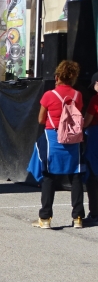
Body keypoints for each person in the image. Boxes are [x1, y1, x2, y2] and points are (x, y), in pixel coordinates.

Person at [28, 60, 85, 229]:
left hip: (53, 137)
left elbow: (40, 119)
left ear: (58, 76)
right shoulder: (77, 95)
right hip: (73, 139)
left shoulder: (49, 95)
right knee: (75, 176)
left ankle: (45, 218)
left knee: (49, 176)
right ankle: (78, 217)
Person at [82, 71, 98, 226]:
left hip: (95, 139)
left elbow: (86, 122)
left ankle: (95, 214)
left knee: (93, 179)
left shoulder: (95, 99)